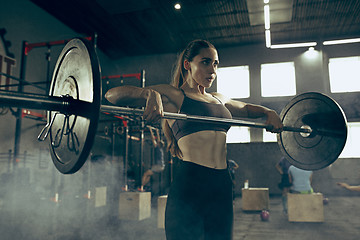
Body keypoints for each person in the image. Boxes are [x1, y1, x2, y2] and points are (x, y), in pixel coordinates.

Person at [105, 39, 283, 240]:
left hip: (222, 183)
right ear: (187, 65)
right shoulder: (174, 95)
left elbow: (246, 109)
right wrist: (149, 93)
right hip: (192, 182)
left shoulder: (219, 98)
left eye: (215, 64)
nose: (212, 70)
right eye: (205, 62)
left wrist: (269, 112)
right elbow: (112, 95)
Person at [140, 126, 165, 190]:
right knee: (148, 175)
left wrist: (151, 130)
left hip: (158, 166)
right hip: (161, 166)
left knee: (145, 174)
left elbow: (153, 138)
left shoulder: (157, 148)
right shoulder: (161, 149)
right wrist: (156, 131)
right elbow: (158, 139)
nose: (157, 142)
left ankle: (141, 187)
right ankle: (142, 186)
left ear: (159, 144)